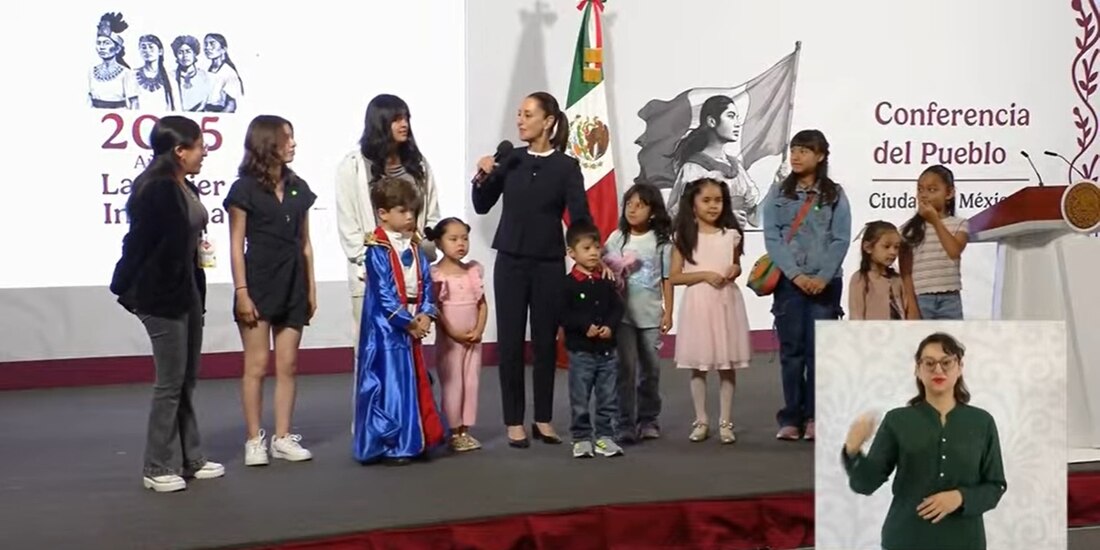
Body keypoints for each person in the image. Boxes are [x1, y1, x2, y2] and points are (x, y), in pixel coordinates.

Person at [109, 116, 224, 492]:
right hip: (161, 295)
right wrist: (124, 287)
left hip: (188, 289)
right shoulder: (156, 190)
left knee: (186, 379)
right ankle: (156, 466)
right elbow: (138, 244)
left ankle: (192, 458)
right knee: (170, 382)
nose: (204, 153)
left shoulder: (184, 186)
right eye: (199, 146)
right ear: (180, 150)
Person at [471, 91, 592, 447]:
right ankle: (513, 420)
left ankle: (543, 418)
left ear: (548, 121)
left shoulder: (566, 167)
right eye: (519, 114)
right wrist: (482, 175)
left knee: (543, 343)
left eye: (527, 114)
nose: (520, 120)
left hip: (549, 263)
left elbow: (580, 216)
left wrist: (589, 253)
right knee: (509, 342)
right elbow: (481, 205)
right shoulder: (510, 159)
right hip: (510, 260)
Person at [843, 332, 1007, 550]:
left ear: (959, 367)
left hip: (965, 541)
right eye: (929, 363)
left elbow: (996, 486)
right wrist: (852, 450)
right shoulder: (898, 420)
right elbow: (865, 484)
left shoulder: (981, 422)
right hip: (906, 538)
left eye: (946, 362)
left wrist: (960, 497)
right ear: (917, 370)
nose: (938, 370)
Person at [224, 115, 317, 466]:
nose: (293, 144)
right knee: (257, 364)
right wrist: (242, 291)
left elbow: (306, 244)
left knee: (289, 364)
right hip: (258, 281)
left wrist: (310, 288)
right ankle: (253, 439)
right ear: (268, 143)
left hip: (293, 281)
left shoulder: (298, 186)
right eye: (287, 138)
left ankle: (282, 436)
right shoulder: (244, 189)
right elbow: (235, 245)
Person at [762, 129, 851, 442]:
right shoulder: (778, 193)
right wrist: (796, 275)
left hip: (826, 285)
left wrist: (822, 277)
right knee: (792, 353)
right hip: (790, 285)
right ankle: (791, 418)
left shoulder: (835, 194)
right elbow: (772, 237)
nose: (796, 156)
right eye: (794, 150)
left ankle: (815, 417)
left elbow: (841, 238)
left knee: (818, 354)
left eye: (804, 150)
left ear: (821, 155)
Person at [352, 176, 447, 465]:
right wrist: (409, 322)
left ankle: (414, 439)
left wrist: (427, 313)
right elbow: (384, 293)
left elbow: (427, 283)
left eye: (413, 211)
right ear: (383, 214)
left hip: (411, 321)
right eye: (403, 211)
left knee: (414, 380)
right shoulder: (377, 249)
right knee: (391, 384)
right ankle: (393, 443)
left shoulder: (417, 247)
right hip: (386, 329)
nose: (410, 217)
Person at [336, 94, 442, 341]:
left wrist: (422, 253)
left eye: (406, 118)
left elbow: (432, 219)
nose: (404, 124)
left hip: (413, 276)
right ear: (379, 123)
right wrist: (379, 265)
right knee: (373, 356)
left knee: (410, 354)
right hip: (371, 278)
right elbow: (349, 229)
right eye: (396, 119)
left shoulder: (420, 166)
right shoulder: (352, 167)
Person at [669, 178, 752, 444]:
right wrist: (704, 275)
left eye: (718, 200)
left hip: (726, 302)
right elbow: (674, 277)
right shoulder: (683, 236)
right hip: (699, 304)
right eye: (706, 200)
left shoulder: (731, 235)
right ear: (692, 204)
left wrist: (734, 270)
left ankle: (726, 421)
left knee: (727, 365)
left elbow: (736, 266)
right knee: (699, 365)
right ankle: (701, 419)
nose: (713, 206)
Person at [602, 183, 674, 443]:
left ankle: (648, 418)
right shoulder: (617, 238)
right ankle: (623, 421)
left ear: (653, 212)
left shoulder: (662, 243)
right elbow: (603, 267)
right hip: (623, 317)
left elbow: (668, 278)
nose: (632, 210)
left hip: (650, 316)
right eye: (629, 204)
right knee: (625, 368)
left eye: (640, 205)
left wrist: (668, 312)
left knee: (650, 370)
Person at [561, 221, 625, 458]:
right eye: (587, 248)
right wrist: (584, 326)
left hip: (607, 352)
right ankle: (581, 437)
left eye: (596, 248)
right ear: (572, 253)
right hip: (581, 352)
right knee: (580, 397)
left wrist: (609, 326)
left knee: (608, 396)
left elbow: (617, 308)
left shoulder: (605, 282)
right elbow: (563, 313)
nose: (594, 253)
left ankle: (605, 437)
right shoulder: (567, 285)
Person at [427, 218, 488, 452]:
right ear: (440, 243)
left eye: (464, 238)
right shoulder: (437, 274)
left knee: (471, 382)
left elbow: (482, 304)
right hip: (451, 341)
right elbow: (436, 308)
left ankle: (465, 429)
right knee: (454, 383)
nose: (460, 243)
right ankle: (453, 429)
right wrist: (452, 332)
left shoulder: (472, 271)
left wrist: (479, 330)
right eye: (453, 239)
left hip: (473, 339)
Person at [665, 95, 762, 227]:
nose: (737, 123)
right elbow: (679, 218)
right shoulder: (694, 169)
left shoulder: (737, 168)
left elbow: (755, 218)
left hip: (733, 245)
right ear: (712, 121)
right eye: (731, 116)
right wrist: (722, 217)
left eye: (737, 118)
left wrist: (777, 185)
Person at [900, 165, 969, 320]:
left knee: (950, 341)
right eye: (920, 190)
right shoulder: (907, 230)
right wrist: (911, 304)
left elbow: (954, 251)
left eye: (932, 190)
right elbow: (905, 273)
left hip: (950, 298)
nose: (924, 195)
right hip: (921, 298)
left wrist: (935, 221)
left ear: (949, 193)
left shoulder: (959, 224)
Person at [850, 221, 910, 320]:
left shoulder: (897, 279)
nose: (893, 252)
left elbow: (905, 310)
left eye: (896, 247)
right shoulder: (860, 279)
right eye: (886, 247)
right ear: (868, 247)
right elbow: (856, 316)